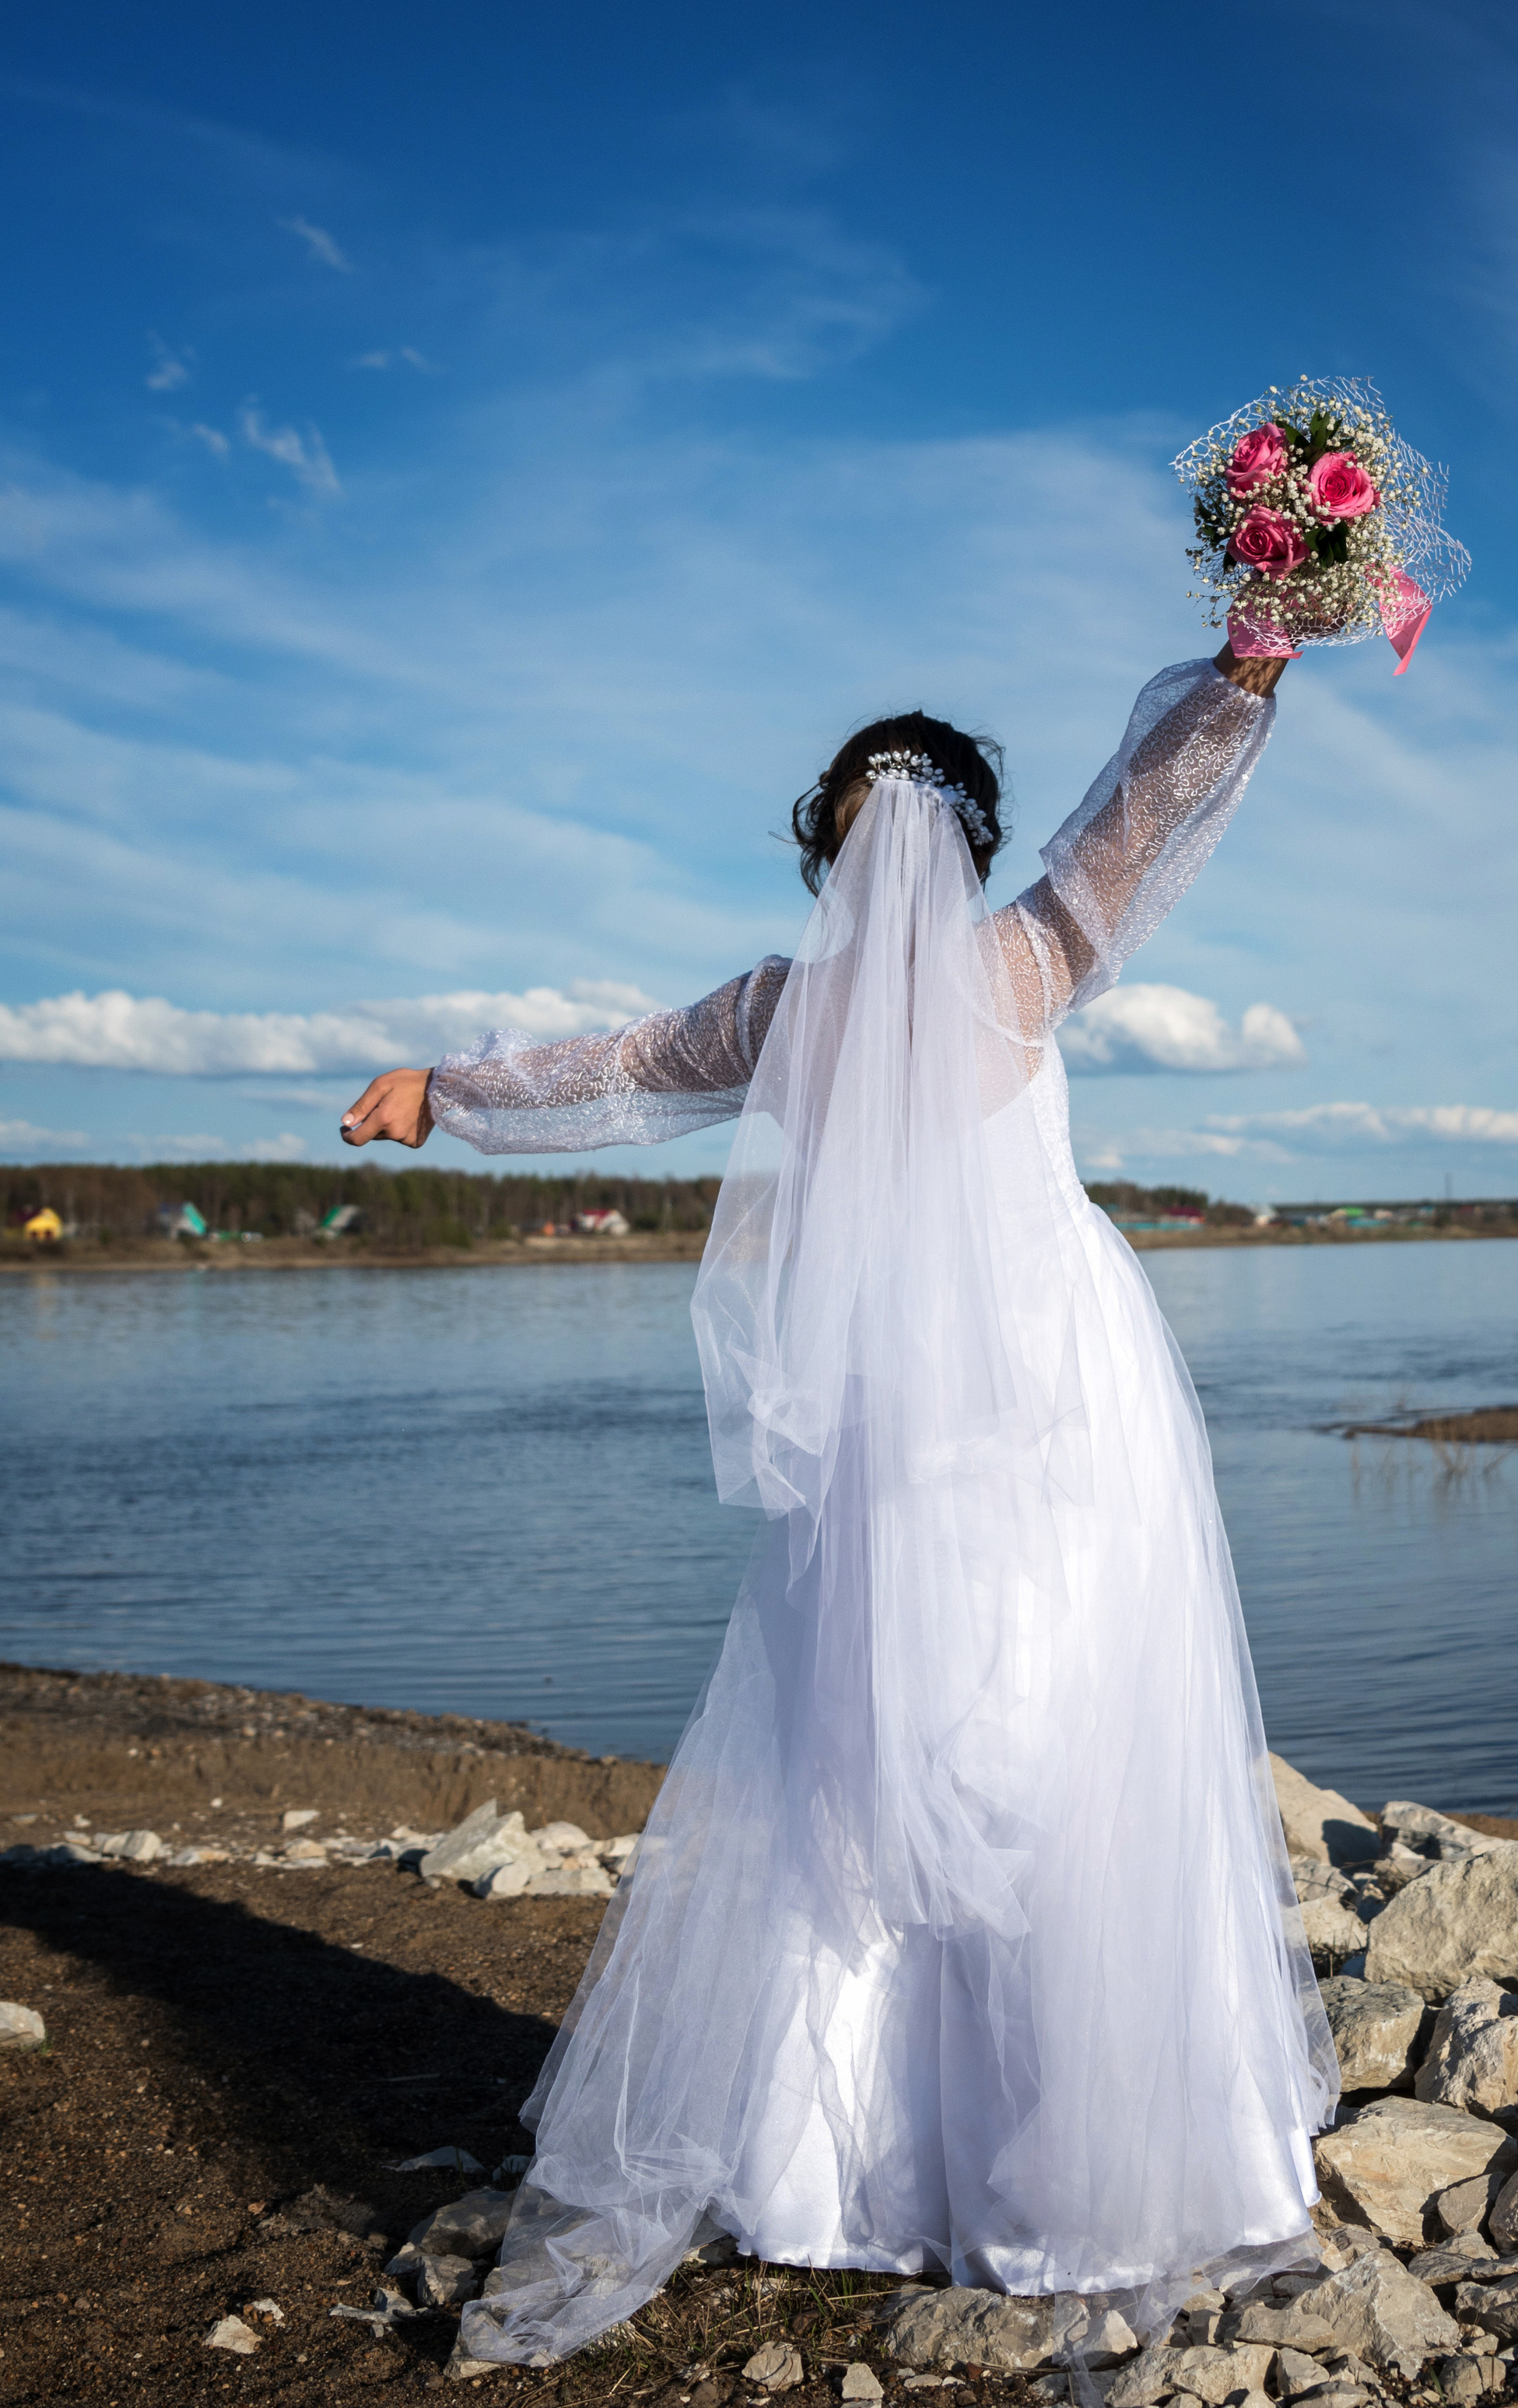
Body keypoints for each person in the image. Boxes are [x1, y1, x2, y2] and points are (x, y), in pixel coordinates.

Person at [341, 636, 1337, 2368]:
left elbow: (610, 1071)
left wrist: (444, 1091)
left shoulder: (780, 1011)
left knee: (866, 1750)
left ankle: (835, 2164)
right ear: (964, 837)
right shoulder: (1024, 959)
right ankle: (1082, 2166)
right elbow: (1147, 811)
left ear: (832, 843)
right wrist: (1247, 669)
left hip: (890, 1421)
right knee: (1060, 1744)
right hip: (1051, 1406)